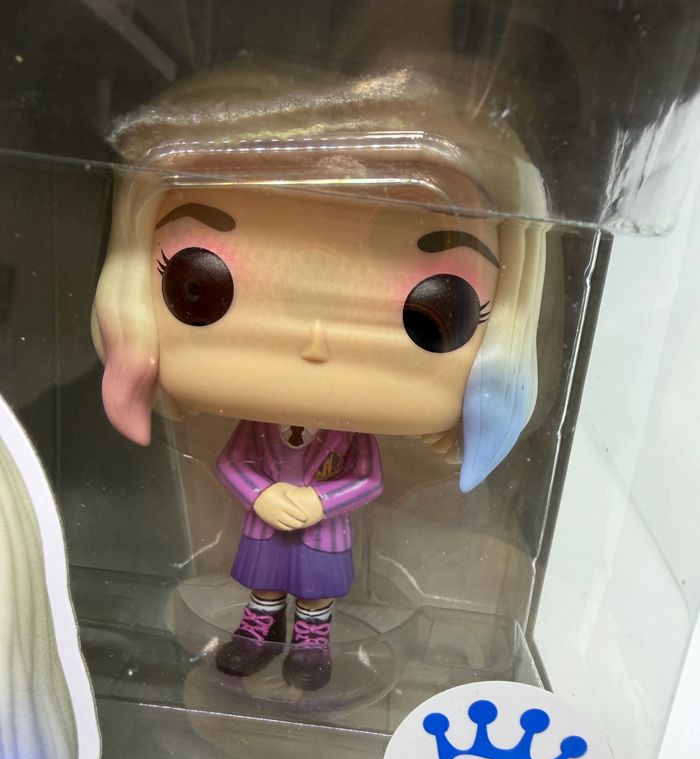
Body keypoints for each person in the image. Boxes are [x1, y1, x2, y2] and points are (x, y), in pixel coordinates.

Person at [92, 61, 546, 690]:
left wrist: (319, 501)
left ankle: (311, 645)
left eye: (438, 308)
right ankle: (256, 633)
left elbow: (368, 477)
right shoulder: (261, 426)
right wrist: (258, 494)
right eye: (201, 282)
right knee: (263, 589)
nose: (314, 341)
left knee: (315, 598)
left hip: (325, 528)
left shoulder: (349, 432)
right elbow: (232, 462)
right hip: (264, 521)